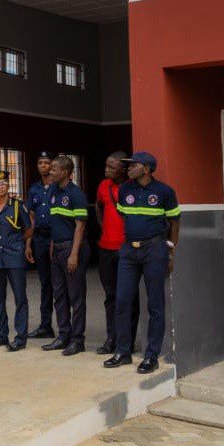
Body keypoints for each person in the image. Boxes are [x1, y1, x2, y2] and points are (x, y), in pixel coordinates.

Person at [104, 152, 181, 375]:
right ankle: (122, 351)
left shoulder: (164, 192)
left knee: (155, 304)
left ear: (146, 169)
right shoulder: (125, 190)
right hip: (129, 250)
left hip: (154, 249)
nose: (128, 169)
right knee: (122, 300)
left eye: (133, 165)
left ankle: (151, 356)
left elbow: (174, 221)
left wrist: (170, 251)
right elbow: (125, 216)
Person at [42, 155, 89, 356]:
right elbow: (56, 222)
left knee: (76, 297)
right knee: (59, 295)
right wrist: (53, 245)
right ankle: (63, 336)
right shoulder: (53, 190)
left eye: (54, 169)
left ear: (66, 172)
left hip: (72, 249)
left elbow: (80, 227)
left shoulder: (76, 194)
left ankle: (77, 340)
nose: (50, 172)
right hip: (57, 248)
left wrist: (74, 254)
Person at [95, 152, 139, 356]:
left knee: (128, 297)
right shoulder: (103, 186)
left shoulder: (132, 187)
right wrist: (103, 226)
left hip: (126, 249)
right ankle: (111, 338)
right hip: (106, 249)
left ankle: (127, 341)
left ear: (123, 169)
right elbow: (98, 206)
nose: (107, 170)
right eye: (106, 166)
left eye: (111, 167)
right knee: (110, 296)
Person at [0, 171, 31, 351]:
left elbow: (28, 229)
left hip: (14, 256)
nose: (0, 187)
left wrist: (17, 243)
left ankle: (20, 338)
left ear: (8, 186)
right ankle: (0, 336)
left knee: (20, 298)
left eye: (3, 184)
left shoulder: (17, 205)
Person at [25, 152, 56, 340]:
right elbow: (32, 217)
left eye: (47, 162)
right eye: (40, 162)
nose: (43, 165)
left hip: (57, 239)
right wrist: (28, 244)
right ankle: (46, 326)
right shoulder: (34, 189)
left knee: (60, 284)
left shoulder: (59, 186)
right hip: (39, 239)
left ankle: (66, 328)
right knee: (45, 283)